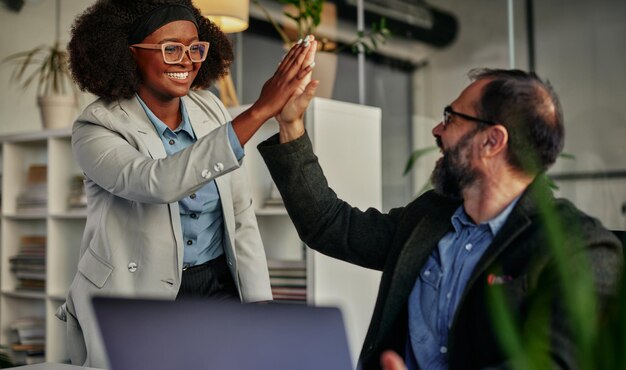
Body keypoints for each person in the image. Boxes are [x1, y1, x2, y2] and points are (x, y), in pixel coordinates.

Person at [258, 68, 623, 370]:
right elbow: (330, 225)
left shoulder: (579, 247)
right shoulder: (430, 217)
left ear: (493, 141)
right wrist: (291, 126)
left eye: (452, 118)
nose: (437, 130)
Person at [54, 0, 317, 368]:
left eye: (195, 48)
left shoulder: (209, 106)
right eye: (170, 49)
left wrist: (259, 299)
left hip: (217, 284)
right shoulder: (97, 126)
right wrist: (260, 112)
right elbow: (155, 181)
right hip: (136, 293)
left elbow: (239, 214)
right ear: (128, 52)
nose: (187, 61)